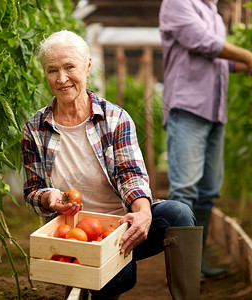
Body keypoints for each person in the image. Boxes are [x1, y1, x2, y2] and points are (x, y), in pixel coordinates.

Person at [21, 30, 203, 300]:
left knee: (179, 215)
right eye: (52, 70)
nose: (61, 79)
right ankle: (89, 285)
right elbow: (32, 190)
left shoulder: (115, 118)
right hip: (76, 234)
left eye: (70, 66)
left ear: (88, 66)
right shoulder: (35, 128)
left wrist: (142, 213)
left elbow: (132, 175)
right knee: (119, 276)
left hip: (121, 225)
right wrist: (50, 198)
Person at [159, 0, 252, 280]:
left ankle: (196, 261)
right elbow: (203, 42)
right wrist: (248, 54)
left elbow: (215, 60)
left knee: (208, 191)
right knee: (185, 190)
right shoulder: (177, 3)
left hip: (214, 111)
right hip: (188, 108)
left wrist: (243, 64)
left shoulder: (213, 13)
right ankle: (182, 272)